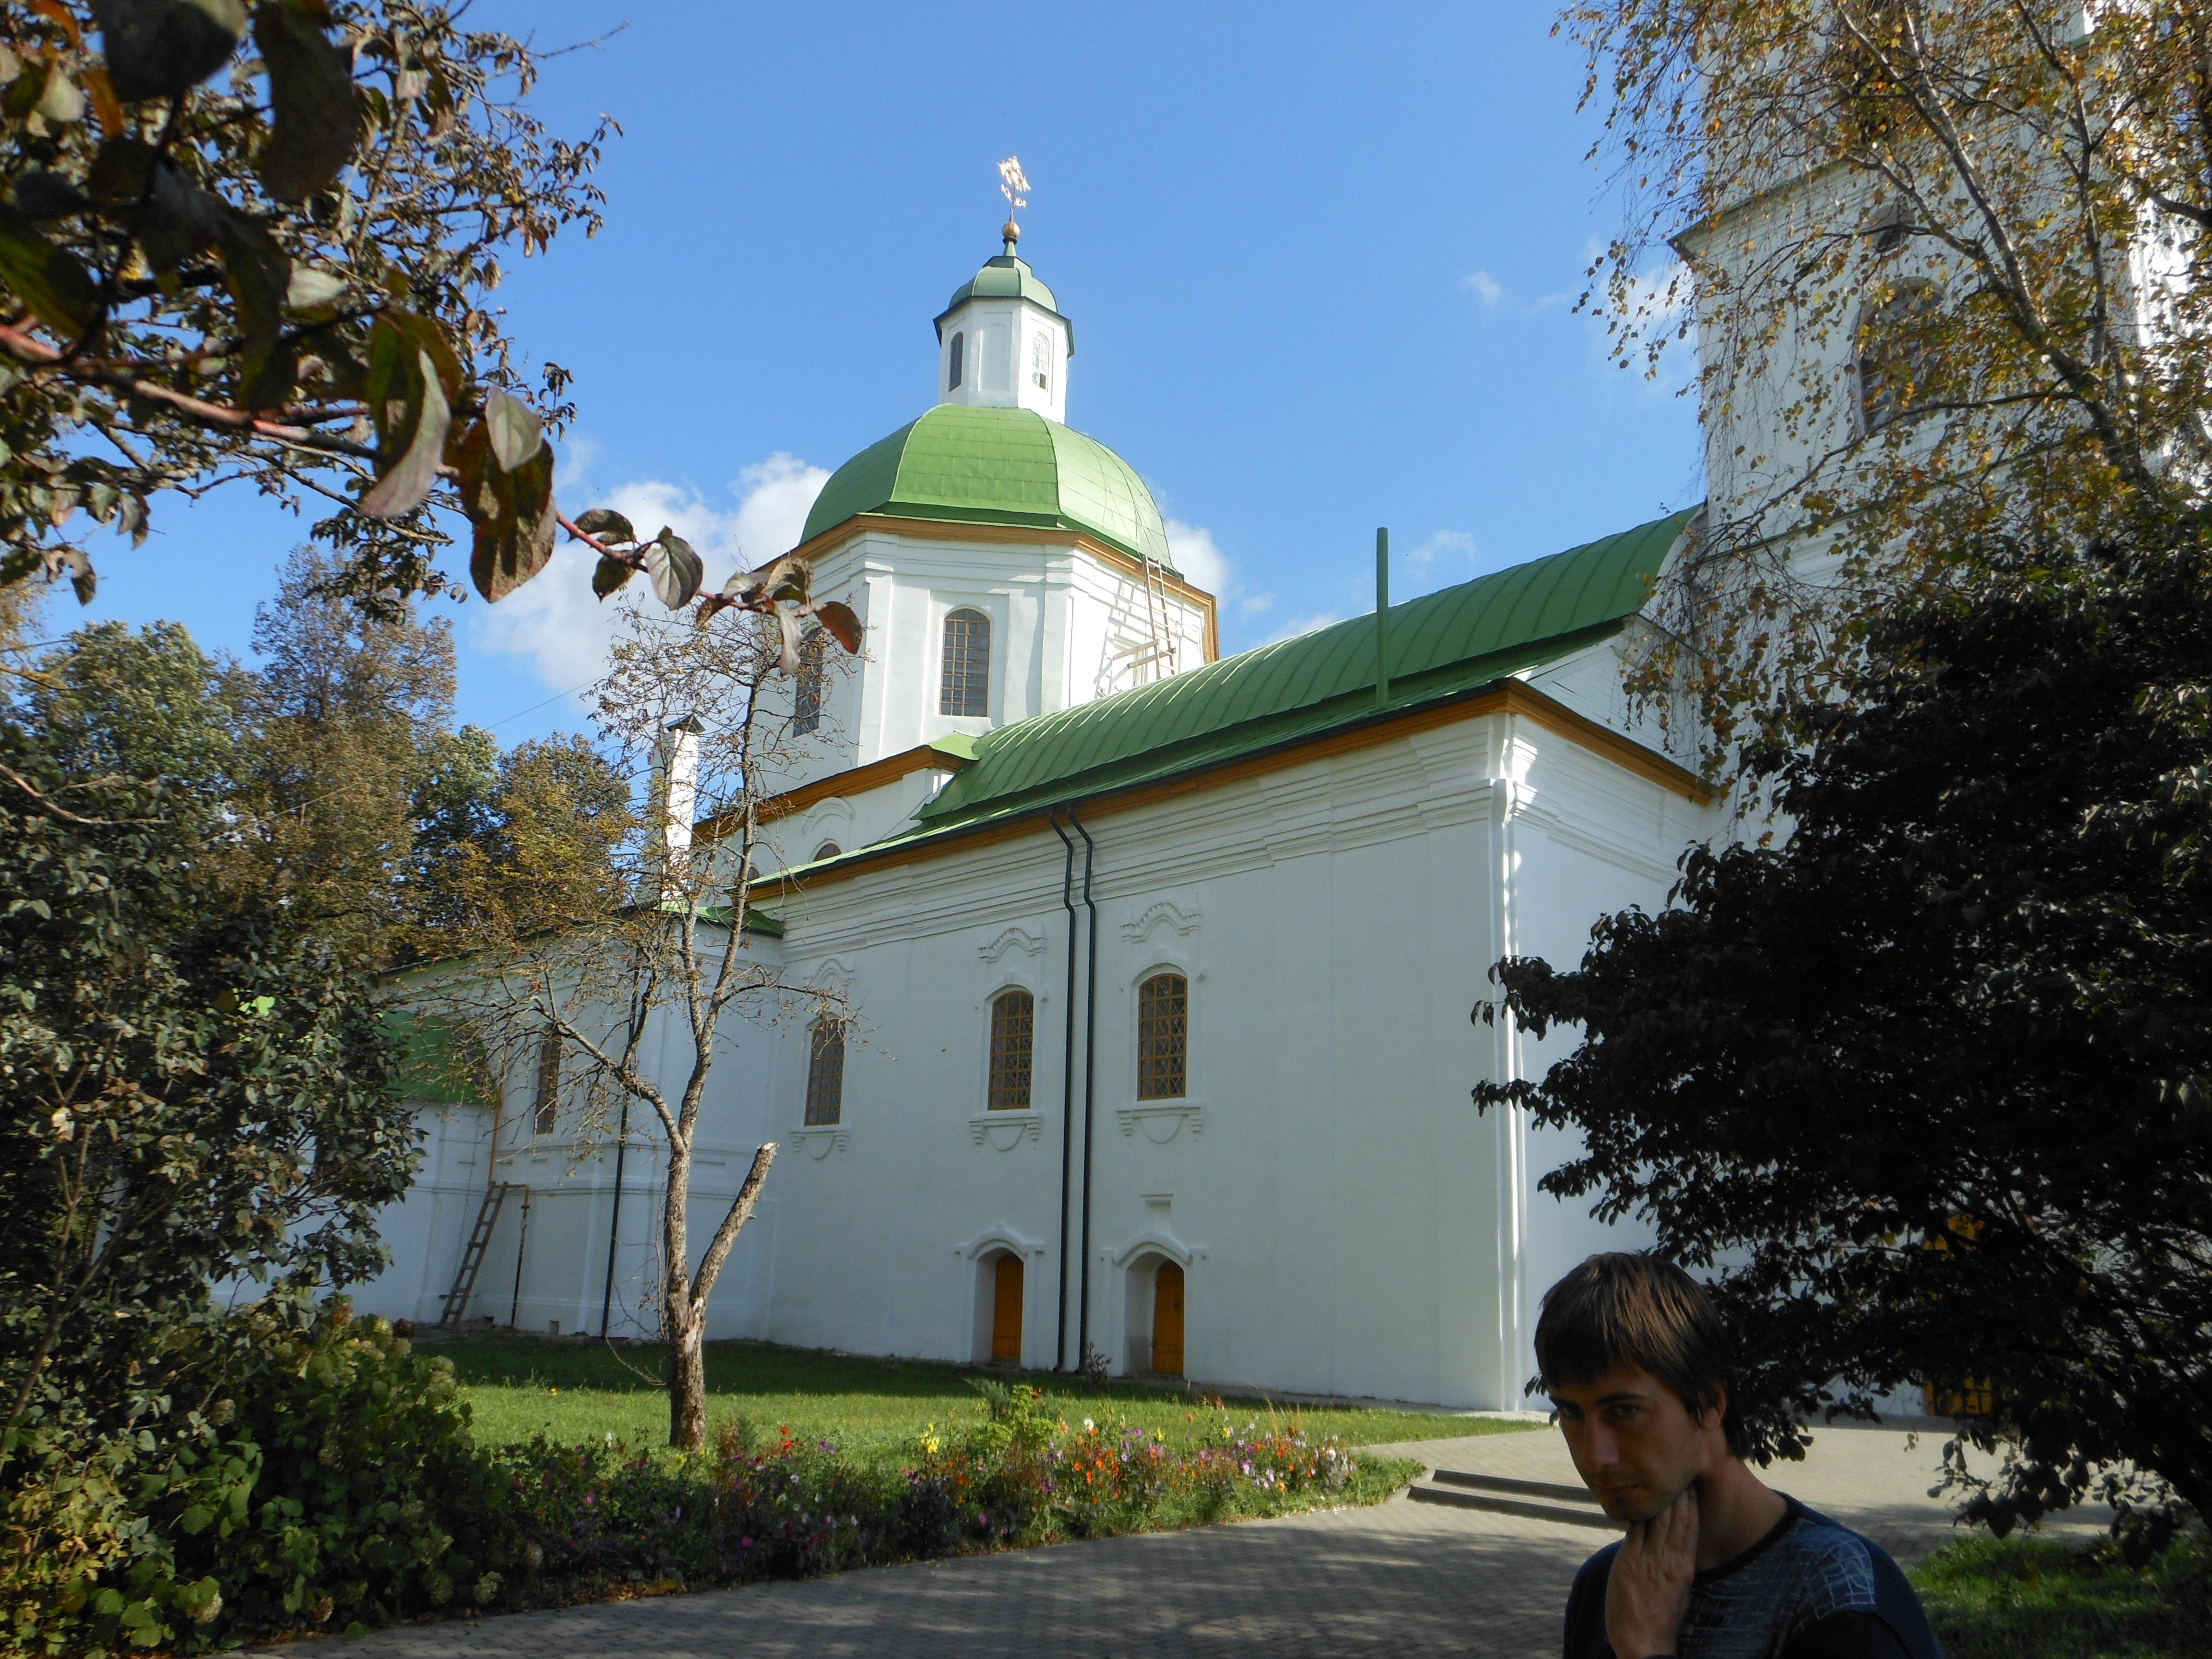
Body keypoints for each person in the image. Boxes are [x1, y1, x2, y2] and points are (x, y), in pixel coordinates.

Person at [1541, 1253, 1945, 1659]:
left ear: (1711, 1402)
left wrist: (1647, 1650)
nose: (1595, 1457)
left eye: (1624, 1411)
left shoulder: (1837, 1592)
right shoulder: (1606, 1586)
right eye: (1571, 1413)